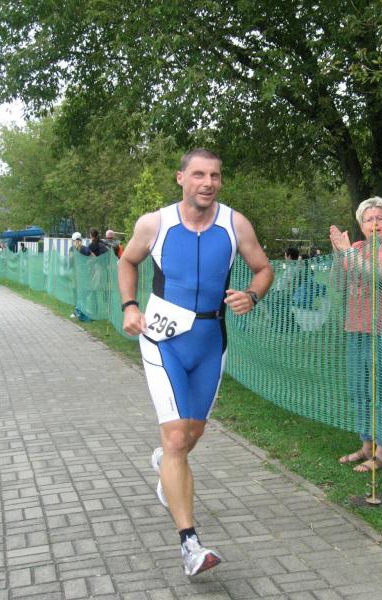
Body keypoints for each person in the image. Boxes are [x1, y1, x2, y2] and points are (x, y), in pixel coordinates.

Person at [118, 148, 273, 577]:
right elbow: (128, 260)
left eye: (215, 176)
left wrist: (252, 295)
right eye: (199, 175)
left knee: (190, 437)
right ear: (181, 178)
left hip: (210, 341)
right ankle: (190, 545)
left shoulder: (235, 224)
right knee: (175, 439)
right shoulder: (155, 223)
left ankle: (167, 467)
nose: (208, 183)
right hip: (163, 340)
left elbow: (263, 268)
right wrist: (130, 306)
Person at [330, 197, 382, 474]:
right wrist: (338, 254)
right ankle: (366, 445)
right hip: (356, 328)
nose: (374, 224)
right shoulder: (358, 248)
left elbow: (378, 275)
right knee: (359, 390)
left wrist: (348, 253)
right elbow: (338, 284)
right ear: (361, 225)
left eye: (379, 218)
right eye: (368, 219)